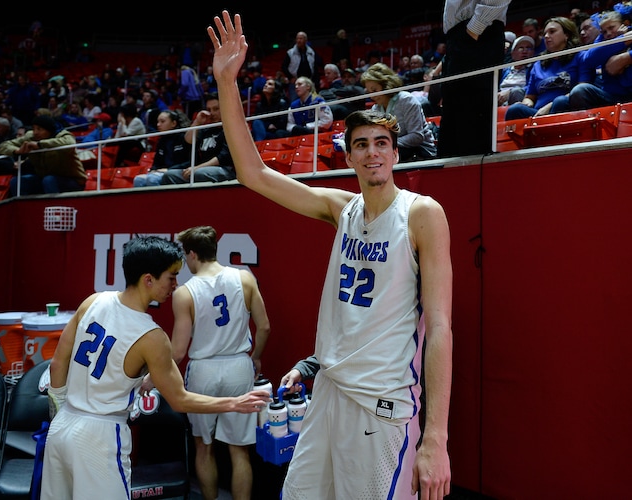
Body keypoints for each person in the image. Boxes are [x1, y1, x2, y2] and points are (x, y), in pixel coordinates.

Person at [208, 11, 453, 500]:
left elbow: (441, 326)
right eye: (361, 145)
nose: (372, 154)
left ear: (395, 153)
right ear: (349, 157)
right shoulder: (341, 207)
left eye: (381, 144)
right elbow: (252, 174)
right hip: (330, 394)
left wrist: (436, 437)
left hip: (382, 404)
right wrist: (226, 83)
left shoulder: (422, 214)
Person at [40, 235, 270, 499]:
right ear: (148, 279)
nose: (176, 284)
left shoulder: (92, 301)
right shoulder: (151, 336)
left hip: (62, 426)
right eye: (171, 277)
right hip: (99, 436)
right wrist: (233, 403)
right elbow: (180, 400)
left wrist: (58, 414)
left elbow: (58, 364)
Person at [169, 225, 271, 500]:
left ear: (191, 255)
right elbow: (264, 327)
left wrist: (152, 375)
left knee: (204, 447)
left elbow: (178, 351)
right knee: (239, 450)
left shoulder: (184, 292)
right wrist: (256, 357)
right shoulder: (244, 278)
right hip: (239, 365)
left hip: (203, 369)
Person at [438, 0, 511, 158]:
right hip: (461, 36)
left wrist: (473, 30)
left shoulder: (473, 32)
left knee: (472, 125)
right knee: (452, 124)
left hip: (478, 33)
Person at [360, 62, 437, 161]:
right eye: (369, 92)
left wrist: (387, 143)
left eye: (374, 90)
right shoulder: (376, 109)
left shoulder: (407, 100)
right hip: (394, 150)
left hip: (422, 153)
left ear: (386, 85)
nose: (371, 96)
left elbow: (417, 136)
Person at [0, 115, 87, 196]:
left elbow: (70, 143)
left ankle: (53, 209)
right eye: (34, 129)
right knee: (17, 181)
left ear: (49, 130)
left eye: (39, 129)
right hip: (44, 178)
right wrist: (16, 150)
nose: (35, 132)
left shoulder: (63, 135)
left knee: (49, 180)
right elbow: (3, 146)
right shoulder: (31, 136)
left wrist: (40, 144)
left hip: (73, 180)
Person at [160, 93, 236, 185]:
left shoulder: (232, 128)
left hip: (226, 169)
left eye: (216, 109)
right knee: (169, 175)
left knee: (198, 174)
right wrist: (197, 122)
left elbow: (222, 158)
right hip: (201, 169)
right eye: (209, 109)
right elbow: (188, 140)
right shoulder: (206, 129)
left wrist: (197, 168)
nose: (211, 113)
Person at [133, 110, 191, 187]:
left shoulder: (184, 138)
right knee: (138, 179)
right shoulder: (161, 141)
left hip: (178, 171)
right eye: (158, 121)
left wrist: (169, 169)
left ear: (173, 123)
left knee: (152, 179)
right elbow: (156, 162)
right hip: (162, 171)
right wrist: (153, 170)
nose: (158, 124)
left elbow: (189, 161)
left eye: (162, 121)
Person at [281, 31, 324, 98]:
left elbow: (315, 67)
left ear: (305, 40)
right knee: (294, 102)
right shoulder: (290, 53)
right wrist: (290, 77)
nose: (298, 40)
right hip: (295, 82)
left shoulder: (311, 52)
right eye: (297, 38)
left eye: (301, 38)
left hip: (309, 81)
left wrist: (315, 82)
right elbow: (283, 66)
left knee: (312, 102)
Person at [497, 35, 535, 106]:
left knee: (516, 91)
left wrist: (509, 93)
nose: (525, 51)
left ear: (533, 53)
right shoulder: (504, 70)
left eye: (528, 48)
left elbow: (533, 88)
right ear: (512, 53)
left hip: (520, 99)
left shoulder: (534, 69)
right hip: (500, 100)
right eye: (521, 48)